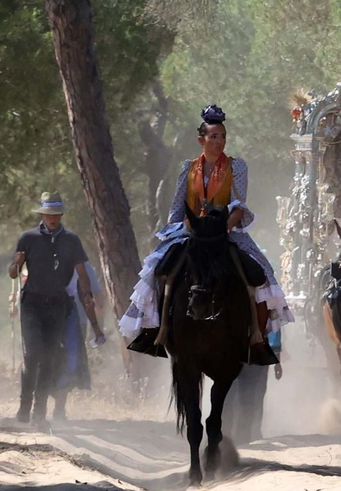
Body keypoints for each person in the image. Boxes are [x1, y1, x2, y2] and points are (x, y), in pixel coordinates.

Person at [123, 104, 291, 364]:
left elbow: (238, 203)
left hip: (225, 231)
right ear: (202, 140)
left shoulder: (237, 166)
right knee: (157, 269)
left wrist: (224, 227)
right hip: (191, 232)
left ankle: (258, 338)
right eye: (213, 137)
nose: (219, 142)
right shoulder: (187, 168)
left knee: (261, 274)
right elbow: (178, 207)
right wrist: (178, 231)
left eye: (223, 137)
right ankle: (153, 331)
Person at [11, 192, 105, 426]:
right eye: (48, 214)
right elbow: (14, 272)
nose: (52, 218)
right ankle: (24, 405)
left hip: (58, 305)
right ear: (42, 214)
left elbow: (82, 273)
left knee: (49, 357)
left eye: (56, 214)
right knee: (32, 354)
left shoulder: (71, 240)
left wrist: (87, 295)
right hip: (32, 303)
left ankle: (40, 411)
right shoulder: (28, 238)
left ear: (61, 214)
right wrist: (15, 263)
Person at [53, 261, 102, 420]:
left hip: (76, 320)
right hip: (49, 319)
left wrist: (96, 326)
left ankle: (60, 407)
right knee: (48, 360)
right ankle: (40, 403)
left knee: (69, 363)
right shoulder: (45, 259)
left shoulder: (84, 267)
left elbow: (91, 297)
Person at [228, 330, 283, 444]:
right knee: (233, 394)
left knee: (255, 394)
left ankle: (249, 431)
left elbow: (274, 327)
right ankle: (229, 431)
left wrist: (277, 360)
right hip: (237, 354)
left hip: (257, 353)